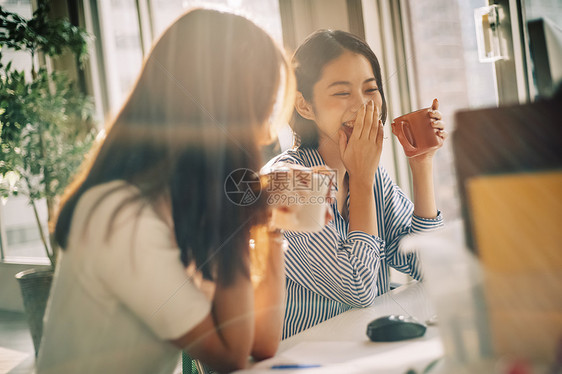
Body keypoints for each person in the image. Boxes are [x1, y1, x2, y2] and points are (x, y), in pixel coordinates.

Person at [36, 8, 295, 374]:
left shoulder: (184, 207)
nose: (266, 136)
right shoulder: (120, 217)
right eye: (259, 114)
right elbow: (231, 356)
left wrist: (268, 225)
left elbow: (261, 343)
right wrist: (239, 215)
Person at [265, 29, 445, 338]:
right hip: (301, 359)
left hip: (359, 348)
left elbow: (433, 268)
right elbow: (357, 287)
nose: (363, 106)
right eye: (341, 92)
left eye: (370, 89)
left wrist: (421, 165)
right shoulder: (286, 183)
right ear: (305, 106)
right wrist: (361, 180)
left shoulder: (370, 177)